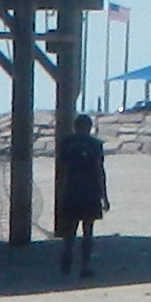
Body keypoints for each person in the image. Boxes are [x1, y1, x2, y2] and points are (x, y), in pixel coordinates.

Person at [52, 114, 110, 277]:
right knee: (88, 230)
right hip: (90, 191)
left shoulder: (66, 143)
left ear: (75, 126)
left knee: (70, 229)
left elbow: (61, 171)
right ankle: (85, 266)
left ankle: (67, 255)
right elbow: (99, 171)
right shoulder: (95, 144)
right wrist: (104, 196)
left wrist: (61, 191)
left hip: (71, 189)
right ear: (89, 127)